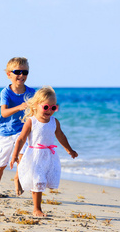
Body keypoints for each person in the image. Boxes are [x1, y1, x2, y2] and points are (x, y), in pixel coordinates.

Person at [10, 86, 78, 217]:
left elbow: (61, 136)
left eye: (53, 108)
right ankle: (37, 209)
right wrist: (14, 155)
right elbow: (21, 139)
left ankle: (36, 204)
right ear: (36, 105)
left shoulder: (54, 122)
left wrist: (69, 150)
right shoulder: (31, 122)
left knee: (45, 181)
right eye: (46, 107)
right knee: (37, 181)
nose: (50, 111)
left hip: (49, 157)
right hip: (34, 156)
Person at [0, 57, 35, 199]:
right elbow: (3, 112)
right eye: (17, 72)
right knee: (1, 163)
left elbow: (37, 108)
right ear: (9, 74)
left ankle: (18, 178)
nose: (21, 75)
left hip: (22, 130)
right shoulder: (6, 93)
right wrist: (19, 107)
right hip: (5, 131)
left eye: (25, 72)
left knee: (23, 157)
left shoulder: (31, 92)